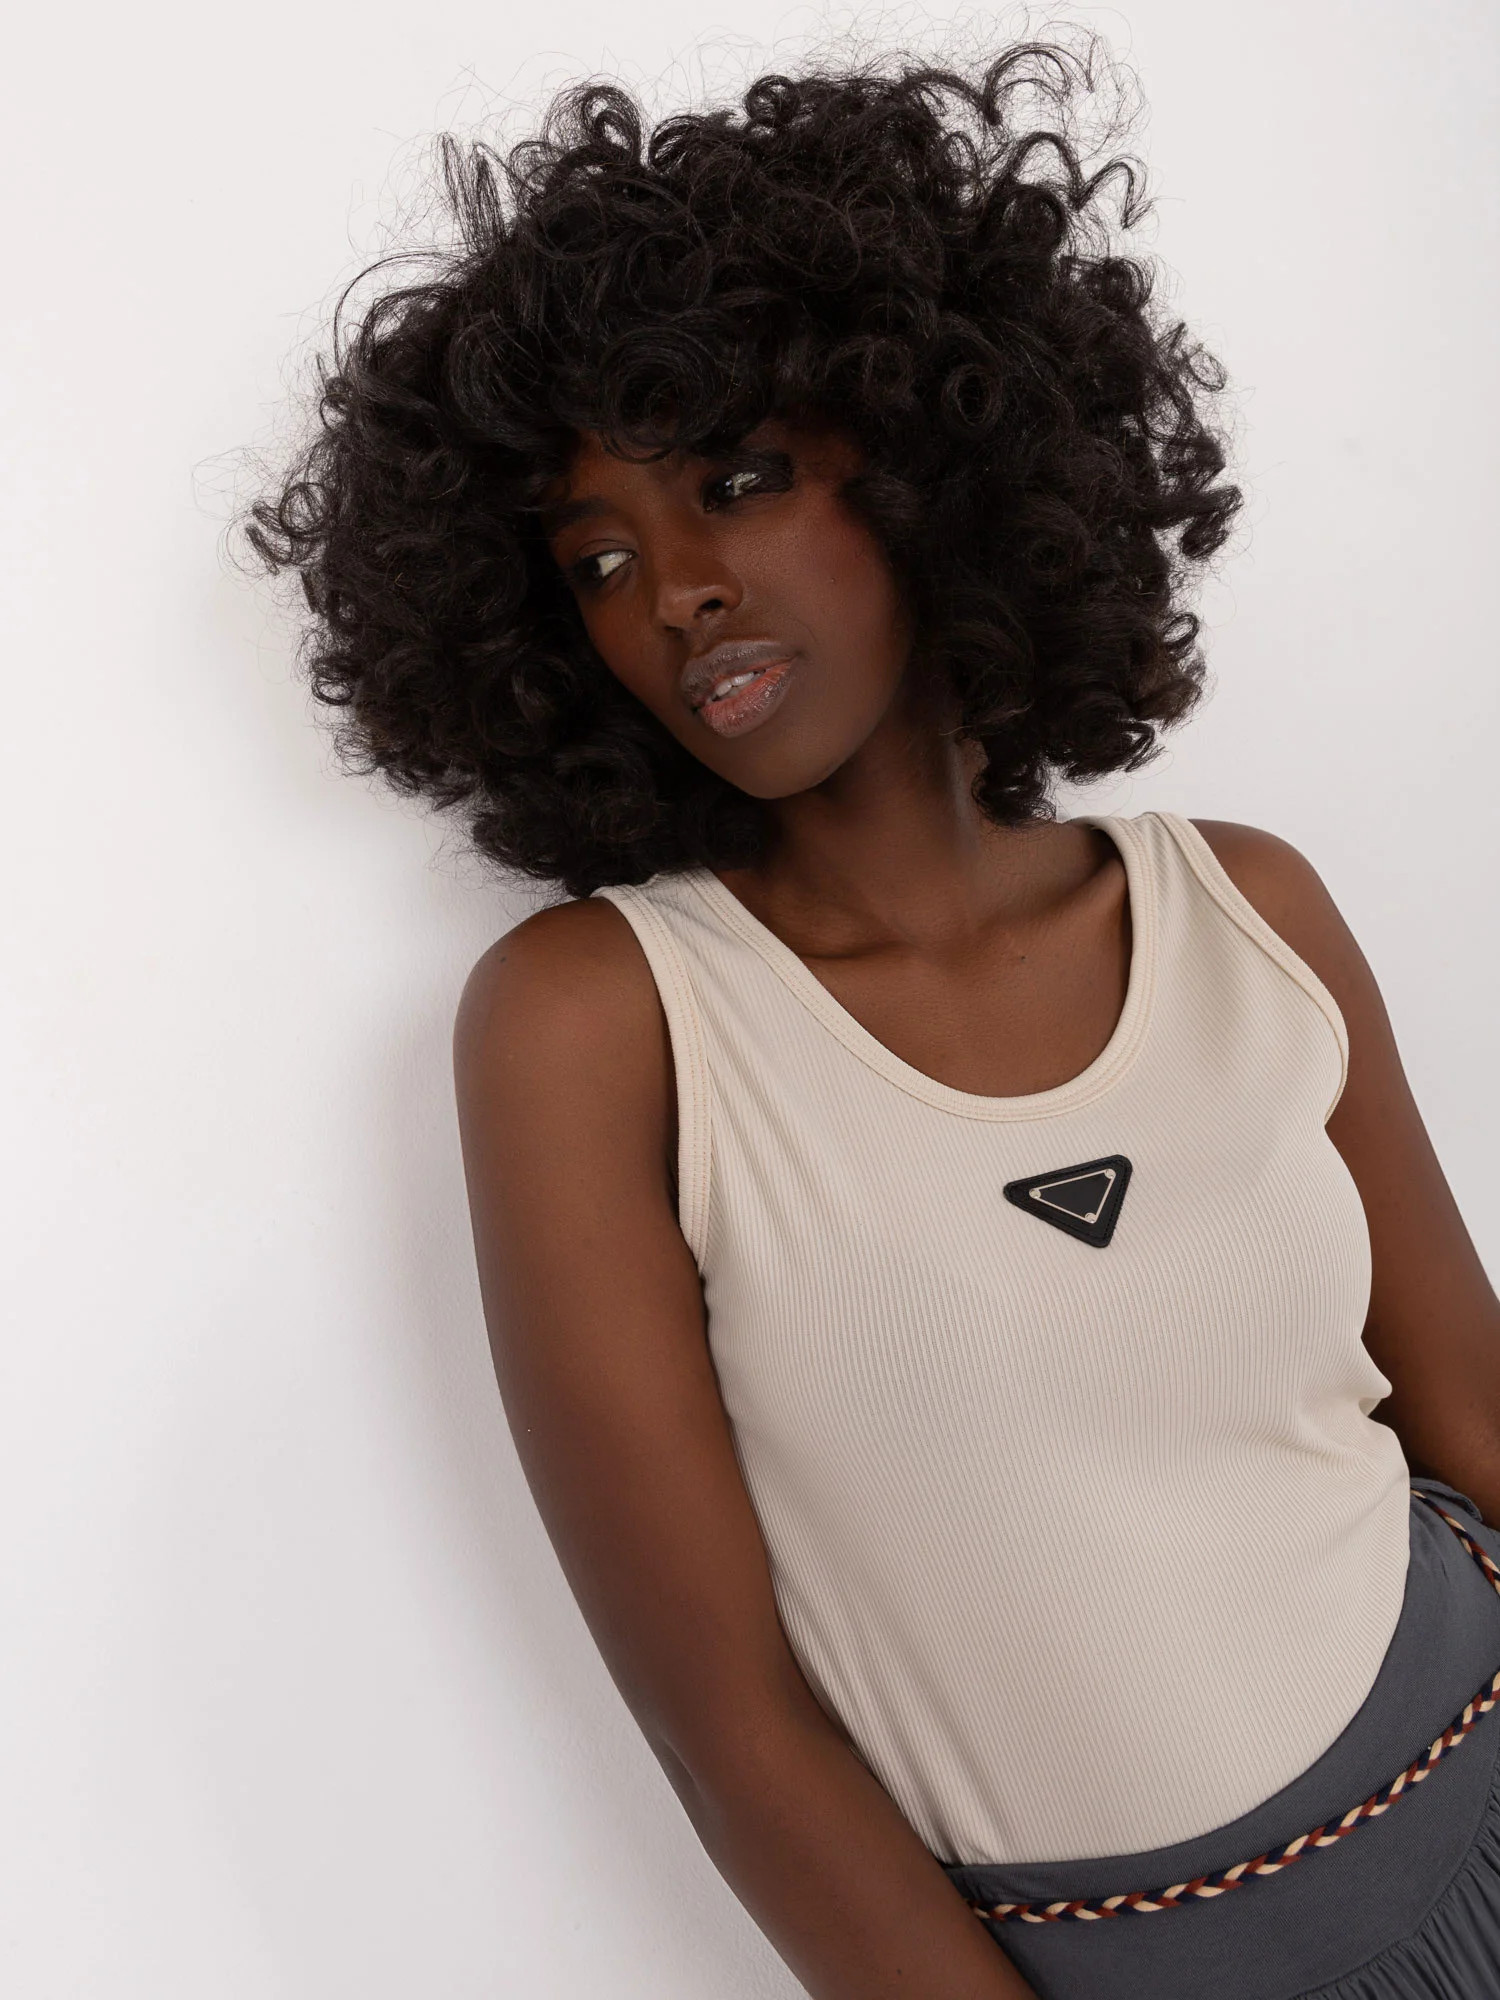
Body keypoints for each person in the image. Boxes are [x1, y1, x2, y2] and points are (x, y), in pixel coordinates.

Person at [246, 41, 1500, 1999]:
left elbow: (1475, 1415)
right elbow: (734, 1733)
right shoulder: (604, 1026)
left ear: (928, 460)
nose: (675, 590)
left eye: (736, 481)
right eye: (599, 560)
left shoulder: (1246, 909)